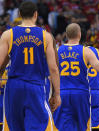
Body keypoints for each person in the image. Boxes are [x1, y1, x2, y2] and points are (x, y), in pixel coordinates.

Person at [0, 1, 61, 130]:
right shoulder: (46, 36)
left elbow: (0, 64)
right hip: (35, 86)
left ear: (20, 14)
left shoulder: (8, 35)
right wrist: (57, 94)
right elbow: (54, 69)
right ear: (36, 14)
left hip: (13, 87)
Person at [53, 23, 99, 131]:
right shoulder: (86, 51)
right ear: (79, 34)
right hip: (81, 94)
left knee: (59, 127)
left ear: (66, 35)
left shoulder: (57, 51)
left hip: (62, 93)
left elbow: (50, 74)